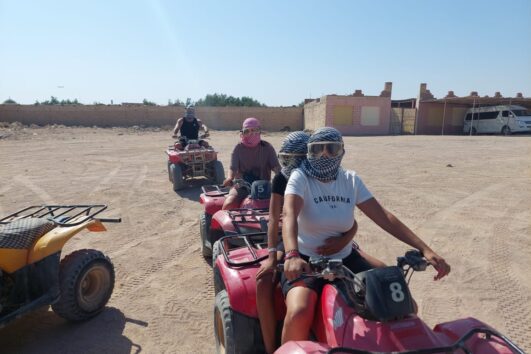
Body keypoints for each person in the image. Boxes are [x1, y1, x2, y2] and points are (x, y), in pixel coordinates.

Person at [280, 127, 451, 344]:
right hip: (306, 260)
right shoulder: (300, 176)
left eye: (331, 149)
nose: (325, 155)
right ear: (309, 152)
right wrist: (292, 254)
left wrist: (426, 249)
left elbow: (383, 216)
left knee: (405, 306)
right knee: (299, 312)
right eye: (317, 149)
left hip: (346, 258)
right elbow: (289, 214)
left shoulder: (350, 180)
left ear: (341, 152)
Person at [254, 131, 384, 353]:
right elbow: (279, 218)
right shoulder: (284, 179)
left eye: (293, 158)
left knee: (385, 272)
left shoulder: (329, 177)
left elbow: (351, 222)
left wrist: (347, 237)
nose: (290, 163)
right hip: (291, 240)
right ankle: (271, 347)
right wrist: (273, 253)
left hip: (337, 245)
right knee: (264, 282)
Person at [221, 117, 281, 210]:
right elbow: (233, 168)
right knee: (229, 204)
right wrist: (229, 178)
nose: (252, 134)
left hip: (264, 187)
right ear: (243, 132)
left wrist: (282, 177)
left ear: (259, 131)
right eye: (248, 131)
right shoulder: (238, 148)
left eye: (255, 130)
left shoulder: (267, 147)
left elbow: (276, 166)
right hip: (243, 186)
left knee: (284, 204)